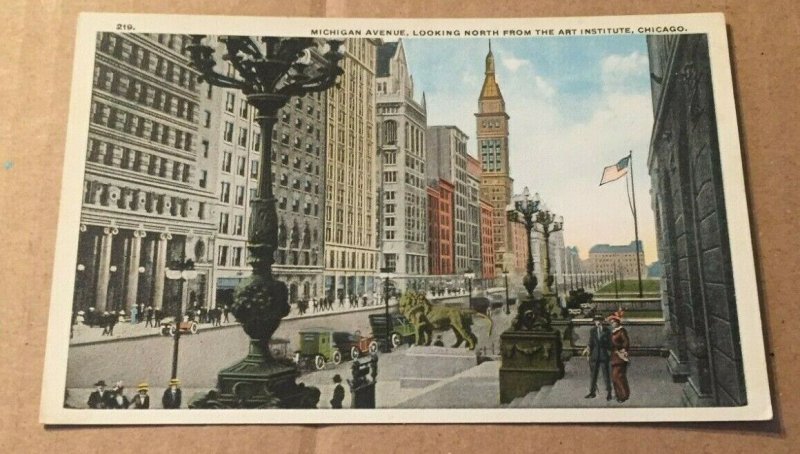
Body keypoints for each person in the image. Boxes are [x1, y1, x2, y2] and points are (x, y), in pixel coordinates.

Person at [582, 314, 612, 400]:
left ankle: (609, 393)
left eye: (599, 320)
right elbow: (591, 342)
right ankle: (592, 392)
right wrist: (588, 350)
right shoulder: (592, 331)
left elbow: (610, 344)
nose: (597, 322)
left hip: (603, 356)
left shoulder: (607, 331)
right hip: (594, 356)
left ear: (602, 321)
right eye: (596, 321)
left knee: (606, 375)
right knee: (593, 375)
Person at [608, 310, 631, 403]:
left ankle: (623, 395)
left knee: (618, 376)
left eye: (613, 322)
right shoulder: (613, 332)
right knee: (615, 377)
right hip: (614, 356)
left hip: (620, 357)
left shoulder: (621, 331)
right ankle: (619, 395)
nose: (612, 323)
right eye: (611, 322)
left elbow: (626, 342)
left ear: (617, 322)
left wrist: (623, 350)